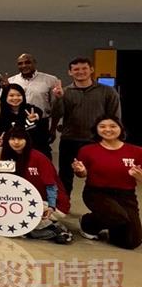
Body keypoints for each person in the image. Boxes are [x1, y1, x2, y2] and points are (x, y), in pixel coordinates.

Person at [51, 58, 121, 195]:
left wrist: (113, 140)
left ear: (91, 70)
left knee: (98, 175)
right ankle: (63, 204)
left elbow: (115, 118)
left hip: (97, 141)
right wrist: (58, 98)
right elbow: (57, 114)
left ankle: (101, 204)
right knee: (65, 176)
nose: (80, 72)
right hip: (70, 140)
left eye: (84, 68)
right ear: (70, 72)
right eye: (76, 69)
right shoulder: (65, 92)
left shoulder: (108, 92)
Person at [73, 116, 142, 249]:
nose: (108, 129)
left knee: (132, 242)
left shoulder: (137, 151)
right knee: (117, 216)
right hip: (97, 193)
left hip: (126, 195)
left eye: (113, 126)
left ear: (120, 128)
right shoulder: (87, 150)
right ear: (96, 129)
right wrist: (81, 171)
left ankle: (114, 225)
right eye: (102, 126)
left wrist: (140, 177)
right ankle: (87, 223)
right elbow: (81, 175)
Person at [0, 127, 72, 244]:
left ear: (27, 140)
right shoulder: (10, 157)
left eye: (20, 139)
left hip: (53, 203)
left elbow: (51, 185)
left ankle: (57, 230)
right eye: (12, 139)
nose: (16, 142)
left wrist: (51, 206)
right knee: (14, 222)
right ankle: (50, 228)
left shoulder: (38, 157)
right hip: (26, 201)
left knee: (21, 223)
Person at [0, 83, 49, 157]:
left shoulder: (29, 109)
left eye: (19, 95)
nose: (15, 98)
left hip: (35, 151)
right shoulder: (2, 115)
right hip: (12, 152)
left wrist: (35, 116)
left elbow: (39, 112)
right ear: (5, 96)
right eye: (11, 95)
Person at [7, 54, 61, 119]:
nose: (24, 66)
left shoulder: (50, 80)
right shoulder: (11, 81)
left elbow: (56, 108)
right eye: (20, 64)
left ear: (34, 63)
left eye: (27, 62)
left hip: (41, 121)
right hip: (17, 122)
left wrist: (53, 126)